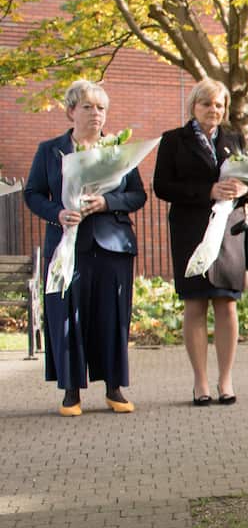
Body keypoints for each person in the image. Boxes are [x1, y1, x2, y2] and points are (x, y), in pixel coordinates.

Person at [24, 79, 147, 417]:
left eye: (102, 108)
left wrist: (107, 202)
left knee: (112, 316)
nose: (96, 114)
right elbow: (32, 193)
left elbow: (138, 194)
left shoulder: (119, 150)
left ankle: (114, 388)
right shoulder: (50, 150)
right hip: (67, 244)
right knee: (68, 315)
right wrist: (58, 213)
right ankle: (71, 392)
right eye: (88, 107)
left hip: (112, 245)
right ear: (71, 111)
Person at [153, 78, 248, 406]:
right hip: (190, 232)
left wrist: (244, 191)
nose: (213, 110)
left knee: (226, 303)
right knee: (195, 304)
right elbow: (162, 187)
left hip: (229, 232)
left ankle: (226, 381)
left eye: (219, 105)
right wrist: (207, 191)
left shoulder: (235, 139)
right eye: (206, 104)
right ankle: (201, 383)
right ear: (193, 105)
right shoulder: (173, 141)